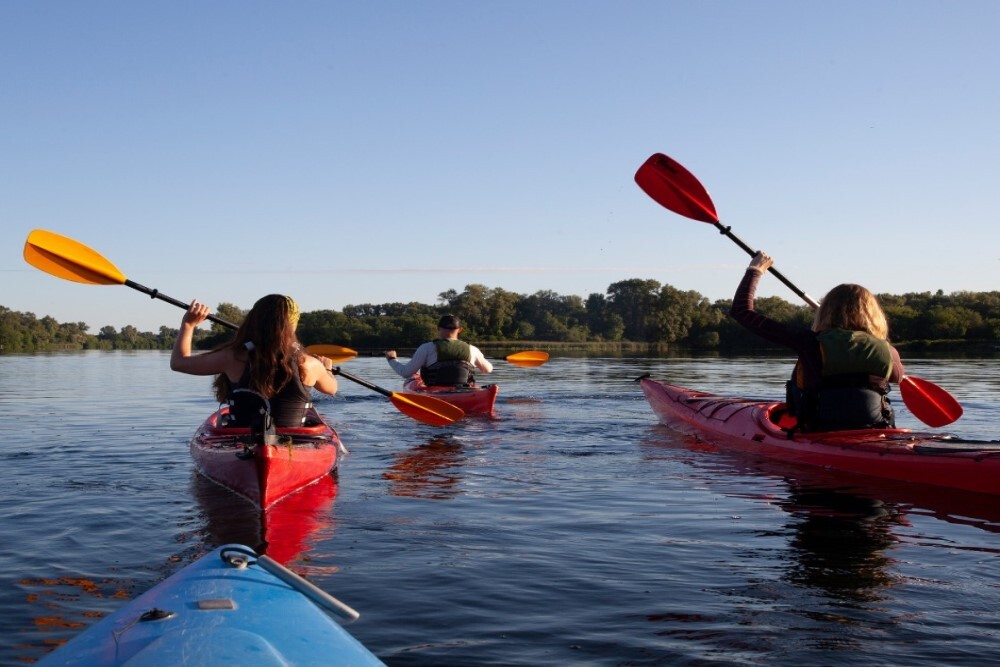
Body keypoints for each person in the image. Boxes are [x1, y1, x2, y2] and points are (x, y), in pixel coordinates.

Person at [730, 251, 904, 432]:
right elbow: (897, 378)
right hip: (876, 430)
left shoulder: (809, 342)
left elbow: (742, 311)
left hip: (819, 430)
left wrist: (755, 270)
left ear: (826, 311)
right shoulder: (888, 350)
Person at [170, 294, 338, 428]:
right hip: (294, 441)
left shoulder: (232, 357)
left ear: (253, 321)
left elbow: (179, 362)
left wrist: (188, 325)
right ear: (293, 325)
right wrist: (327, 370)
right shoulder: (309, 363)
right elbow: (331, 389)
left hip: (242, 441)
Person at [385, 315, 493, 387]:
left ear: (438, 328)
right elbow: (488, 369)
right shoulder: (472, 349)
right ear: (460, 330)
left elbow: (406, 373)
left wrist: (392, 359)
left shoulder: (427, 348)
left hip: (435, 393)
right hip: (464, 392)